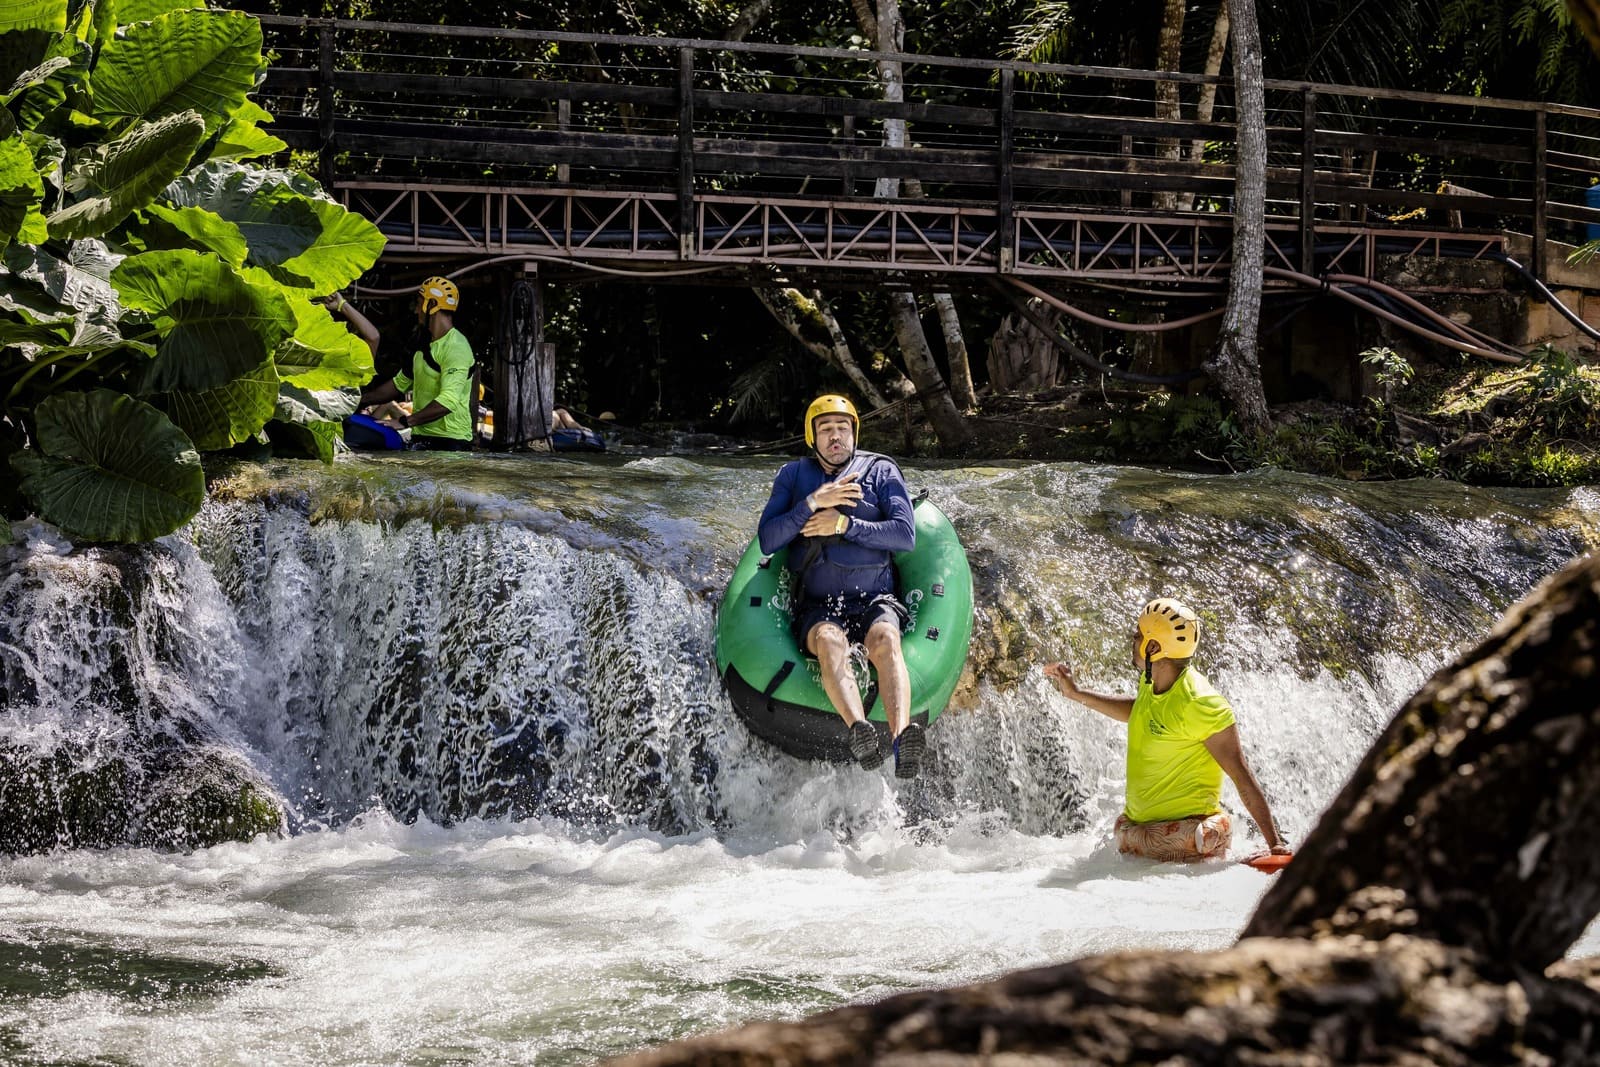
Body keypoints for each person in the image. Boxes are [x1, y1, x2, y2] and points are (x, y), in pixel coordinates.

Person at [1042, 598, 1291, 864]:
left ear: (1153, 647)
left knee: (1176, 836)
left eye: (1137, 636)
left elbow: (1242, 775)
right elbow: (1140, 712)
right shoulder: (1152, 681)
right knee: (1127, 831)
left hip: (1190, 836)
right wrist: (1076, 694)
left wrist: (1275, 845)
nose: (1132, 640)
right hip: (1137, 833)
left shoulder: (1200, 703)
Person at [756, 394, 924, 778]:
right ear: (812, 436)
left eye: (843, 428)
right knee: (831, 641)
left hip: (875, 596)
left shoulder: (881, 471)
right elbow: (768, 539)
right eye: (826, 429)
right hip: (819, 603)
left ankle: (901, 738)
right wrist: (814, 502)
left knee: (885, 638)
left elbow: (905, 535)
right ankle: (858, 729)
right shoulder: (793, 476)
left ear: (854, 433)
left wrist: (845, 525)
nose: (836, 437)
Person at [357, 276, 475, 452]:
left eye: (419, 304)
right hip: (421, 437)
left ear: (432, 305)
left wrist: (404, 421)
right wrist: (359, 400)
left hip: (451, 443)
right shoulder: (422, 343)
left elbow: (448, 402)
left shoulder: (456, 348)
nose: (416, 311)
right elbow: (399, 384)